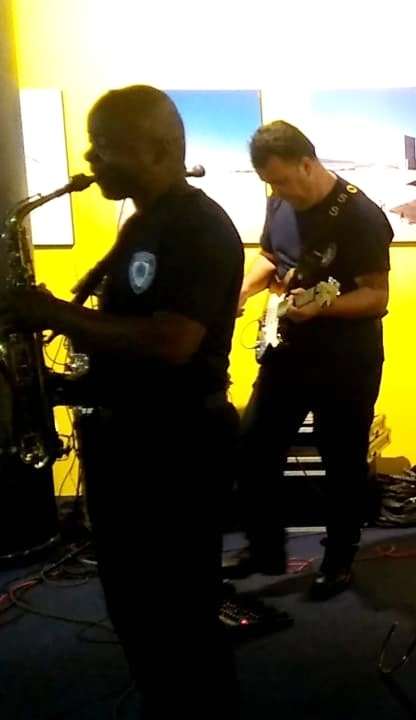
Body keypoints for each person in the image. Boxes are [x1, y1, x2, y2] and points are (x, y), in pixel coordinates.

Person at [0, 85, 243, 717]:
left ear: (159, 149)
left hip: (175, 445)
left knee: (178, 612)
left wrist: (52, 314)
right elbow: (130, 340)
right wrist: (62, 387)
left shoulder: (199, 226)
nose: (90, 159)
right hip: (130, 439)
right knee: (136, 607)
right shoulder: (142, 224)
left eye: (104, 146)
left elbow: (172, 342)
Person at [221, 121, 392, 601]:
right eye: (269, 184)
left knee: (341, 461)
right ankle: (265, 547)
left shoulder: (360, 215)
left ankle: (338, 560)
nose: (276, 192)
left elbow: (377, 296)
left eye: (281, 181)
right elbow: (270, 255)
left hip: (346, 359)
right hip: (289, 349)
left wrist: (324, 308)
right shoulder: (280, 202)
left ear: (307, 163)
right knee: (254, 445)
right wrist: (241, 291)